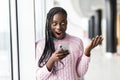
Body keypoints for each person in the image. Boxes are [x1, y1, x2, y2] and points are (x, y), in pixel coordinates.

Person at [35, 7, 103, 80]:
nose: (59, 27)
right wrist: (52, 60)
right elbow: (39, 77)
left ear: (67, 23)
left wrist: (87, 52)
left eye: (62, 23)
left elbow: (80, 73)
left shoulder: (77, 42)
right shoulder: (41, 45)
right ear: (49, 24)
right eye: (54, 24)